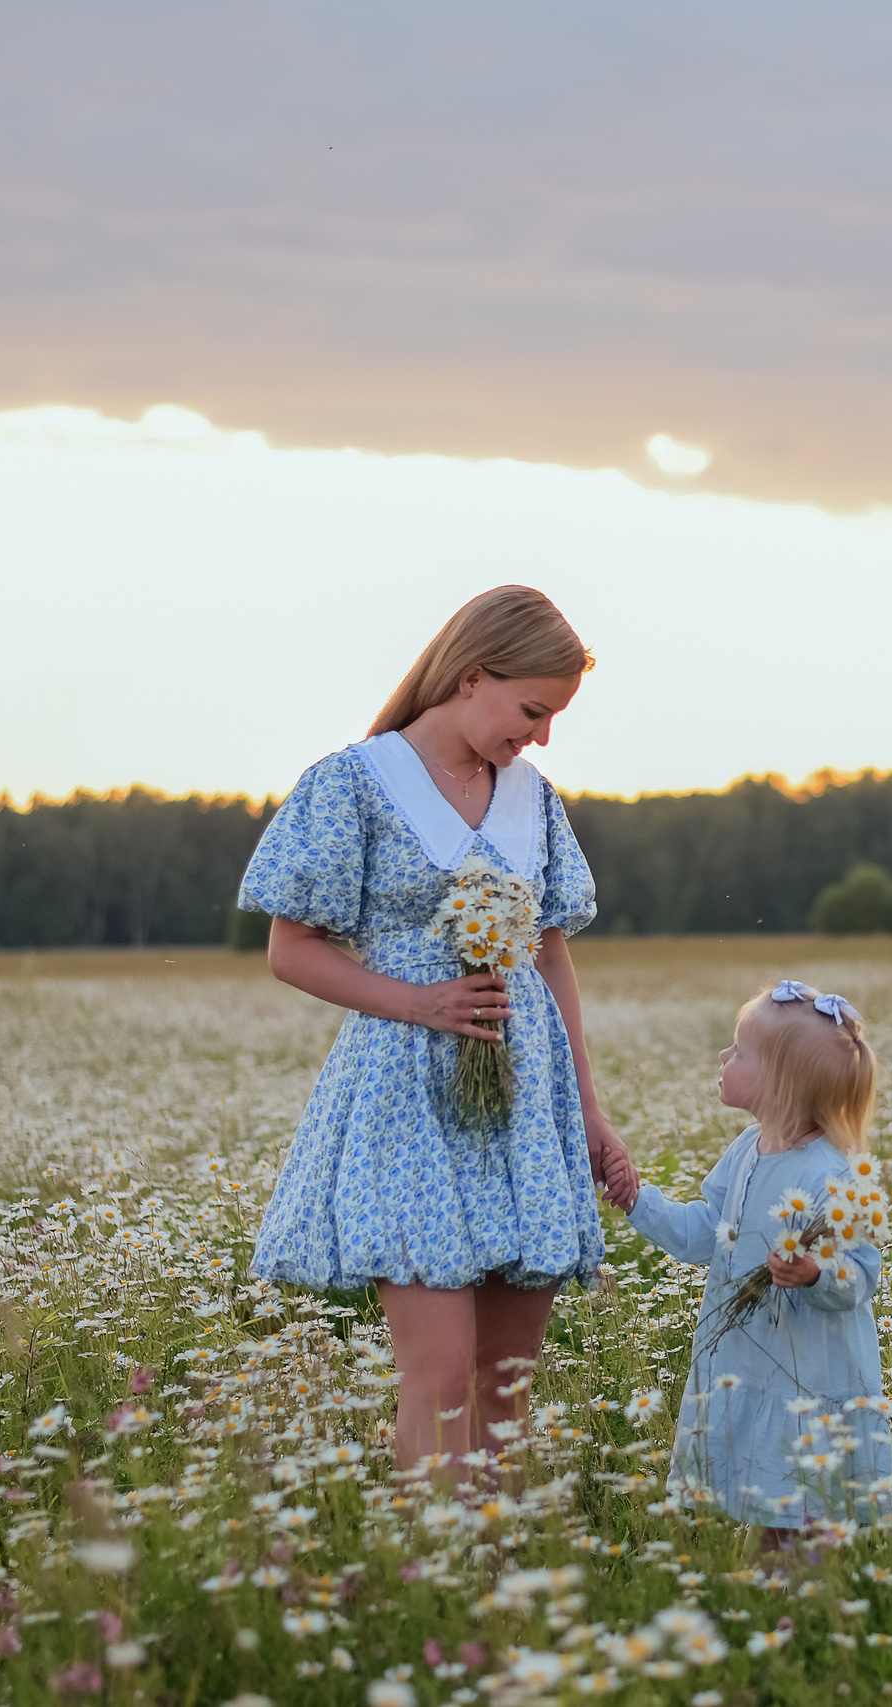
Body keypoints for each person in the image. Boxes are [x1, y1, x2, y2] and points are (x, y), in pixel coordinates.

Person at [237, 585, 638, 1478]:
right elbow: (290, 950)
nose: (540, 737)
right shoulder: (354, 783)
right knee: (442, 1370)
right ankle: (432, 1570)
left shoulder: (533, 801)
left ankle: (490, 1576)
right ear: (470, 676)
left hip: (523, 1103)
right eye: (532, 711)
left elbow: (550, 958)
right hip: (405, 1097)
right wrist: (419, 1002)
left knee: (506, 1376)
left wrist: (589, 1110)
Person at [621, 980, 892, 1544]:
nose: (724, 1058)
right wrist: (636, 1199)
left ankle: (798, 1614)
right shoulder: (746, 1150)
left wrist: (815, 1275)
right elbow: (705, 1236)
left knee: (795, 1516)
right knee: (771, 1510)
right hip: (748, 1362)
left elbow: (863, 1273)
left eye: (739, 1051)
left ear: (780, 1082)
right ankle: (784, 1610)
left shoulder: (831, 1174)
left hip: (804, 1373)